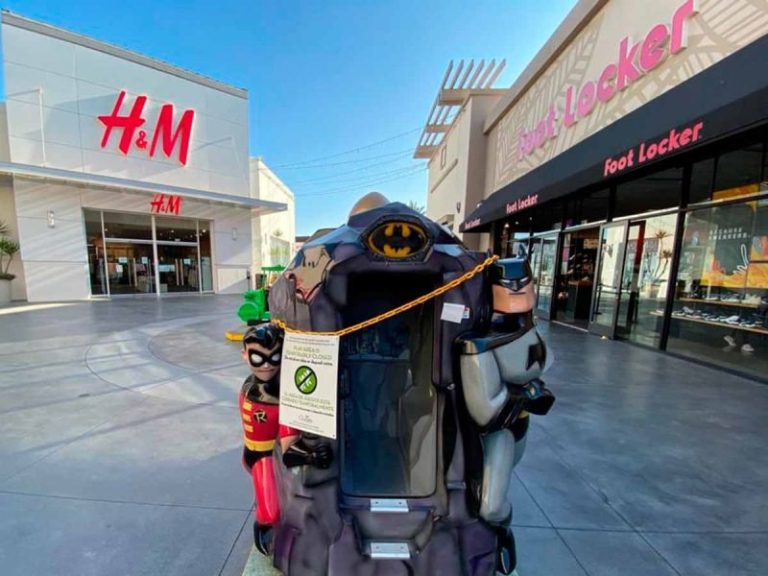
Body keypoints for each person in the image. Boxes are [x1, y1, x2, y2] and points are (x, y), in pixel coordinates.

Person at [458, 257, 555, 575]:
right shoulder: (477, 344)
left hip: (518, 428)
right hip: (495, 433)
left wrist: (532, 390)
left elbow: (540, 364)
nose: (517, 288)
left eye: (524, 282)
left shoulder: (530, 328)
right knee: (490, 505)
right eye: (509, 284)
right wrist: (524, 395)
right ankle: (498, 539)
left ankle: (495, 538)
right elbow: (485, 411)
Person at [238, 323, 333, 555]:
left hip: (260, 454)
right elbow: (290, 451)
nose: (267, 364)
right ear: (245, 355)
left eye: (274, 357)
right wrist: (311, 456)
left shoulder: (265, 391)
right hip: (260, 457)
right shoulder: (265, 393)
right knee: (269, 512)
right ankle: (267, 531)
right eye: (258, 357)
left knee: (274, 502)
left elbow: (288, 442)